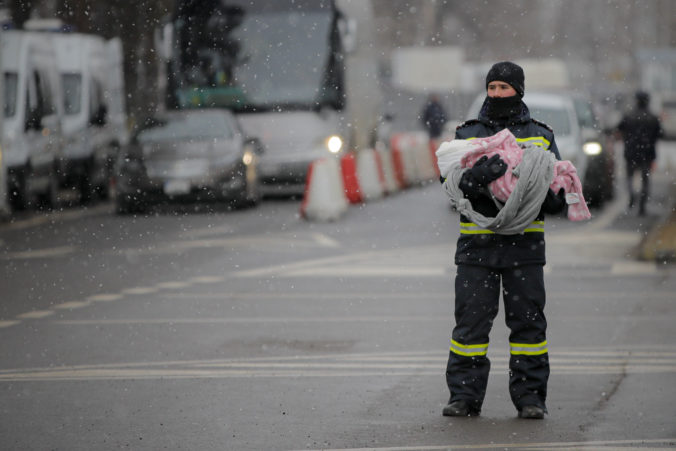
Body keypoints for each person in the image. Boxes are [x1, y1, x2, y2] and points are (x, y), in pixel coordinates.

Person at [442, 61, 567, 419]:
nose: (497, 94)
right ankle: (463, 397)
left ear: (519, 90)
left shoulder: (541, 135)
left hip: (524, 248)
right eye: (492, 87)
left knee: (529, 325)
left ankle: (530, 398)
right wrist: (474, 179)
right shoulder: (467, 134)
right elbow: (449, 185)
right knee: (470, 326)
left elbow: (557, 186)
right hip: (476, 248)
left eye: (504, 88)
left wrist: (547, 194)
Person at [617, 91, 663, 216]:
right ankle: (642, 204)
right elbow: (660, 134)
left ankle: (632, 196)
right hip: (647, 153)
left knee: (629, 178)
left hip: (631, 153)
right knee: (645, 180)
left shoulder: (629, 116)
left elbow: (619, 129)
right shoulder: (653, 118)